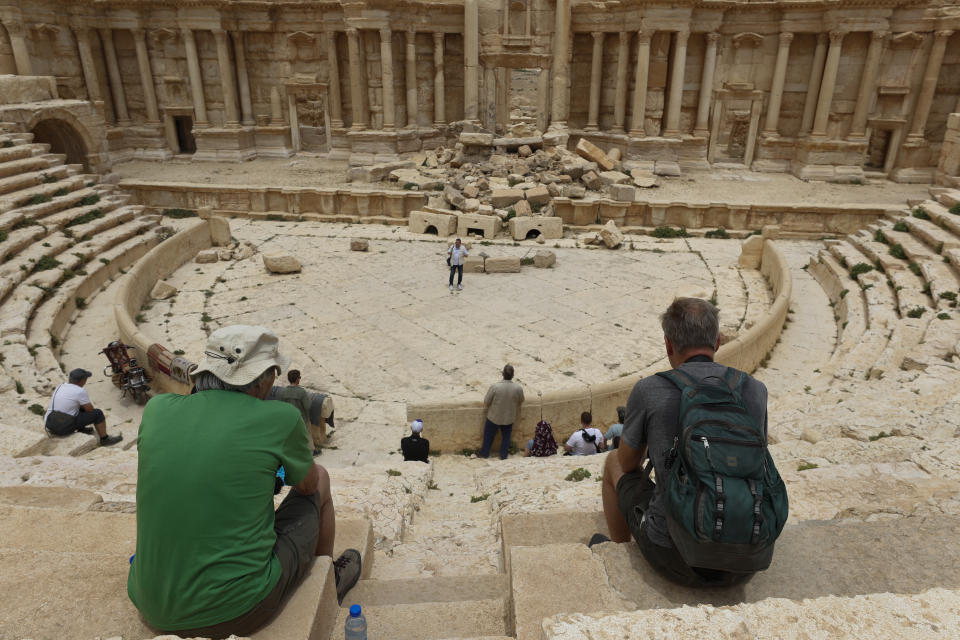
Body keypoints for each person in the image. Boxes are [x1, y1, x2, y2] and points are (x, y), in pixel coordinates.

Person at [128, 325, 361, 638]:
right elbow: (305, 487)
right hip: (237, 610)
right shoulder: (280, 418)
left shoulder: (157, 410)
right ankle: (327, 581)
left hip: (150, 603)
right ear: (262, 379)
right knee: (321, 479)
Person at [598, 297, 769, 587]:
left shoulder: (650, 389)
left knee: (612, 462)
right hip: (746, 562)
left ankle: (618, 550)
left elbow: (628, 463)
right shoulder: (755, 390)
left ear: (668, 344)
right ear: (717, 340)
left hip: (674, 557)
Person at [43, 368, 122, 446]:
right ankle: (105, 439)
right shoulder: (79, 391)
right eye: (85, 378)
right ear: (82, 381)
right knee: (98, 413)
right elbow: (90, 409)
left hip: (49, 424)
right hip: (63, 427)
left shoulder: (61, 386)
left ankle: (82, 429)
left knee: (76, 407)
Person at [479, 364, 524, 459]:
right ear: (513, 375)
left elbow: (486, 401)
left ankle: (485, 454)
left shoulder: (495, 387)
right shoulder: (518, 388)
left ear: (502, 374)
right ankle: (503, 456)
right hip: (509, 418)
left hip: (494, 417)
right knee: (506, 438)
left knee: (488, 437)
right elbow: (521, 400)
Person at [280, 369, 320, 456]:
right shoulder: (301, 392)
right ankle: (311, 452)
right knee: (307, 435)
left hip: (290, 419)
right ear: (297, 379)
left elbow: (283, 406)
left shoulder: (284, 391)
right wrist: (309, 399)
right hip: (303, 418)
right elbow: (307, 406)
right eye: (299, 377)